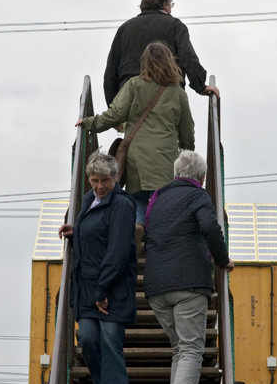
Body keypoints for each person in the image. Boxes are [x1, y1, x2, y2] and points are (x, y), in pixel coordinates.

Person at [143, 150, 233, 384]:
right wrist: (222, 259)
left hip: (156, 286)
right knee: (192, 349)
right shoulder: (199, 196)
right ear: (202, 177)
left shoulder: (157, 198)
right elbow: (210, 228)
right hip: (189, 282)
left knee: (180, 350)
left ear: (175, 173)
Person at [80, 40, 195, 249]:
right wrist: (188, 154)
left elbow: (115, 114)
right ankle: (161, 245)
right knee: (161, 202)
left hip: (136, 155)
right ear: (170, 62)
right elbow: (187, 129)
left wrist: (90, 123)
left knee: (139, 198)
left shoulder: (134, 84)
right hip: (166, 157)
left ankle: (138, 225)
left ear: (144, 63)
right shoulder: (178, 92)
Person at [58, 151, 136, 384]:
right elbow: (91, 232)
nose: (99, 186)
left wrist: (103, 290)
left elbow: (117, 250)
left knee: (111, 341)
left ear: (115, 178)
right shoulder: (89, 200)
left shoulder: (123, 205)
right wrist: (74, 231)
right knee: (88, 339)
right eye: (94, 181)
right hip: (87, 287)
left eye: (104, 180)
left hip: (112, 288)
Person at [103, 0, 220, 107]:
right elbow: (188, 57)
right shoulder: (175, 25)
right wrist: (200, 86)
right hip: (166, 98)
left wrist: (113, 106)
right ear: (164, 5)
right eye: (171, 4)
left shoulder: (124, 29)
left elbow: (111, 69)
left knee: (133, 126)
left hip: (129, 99)